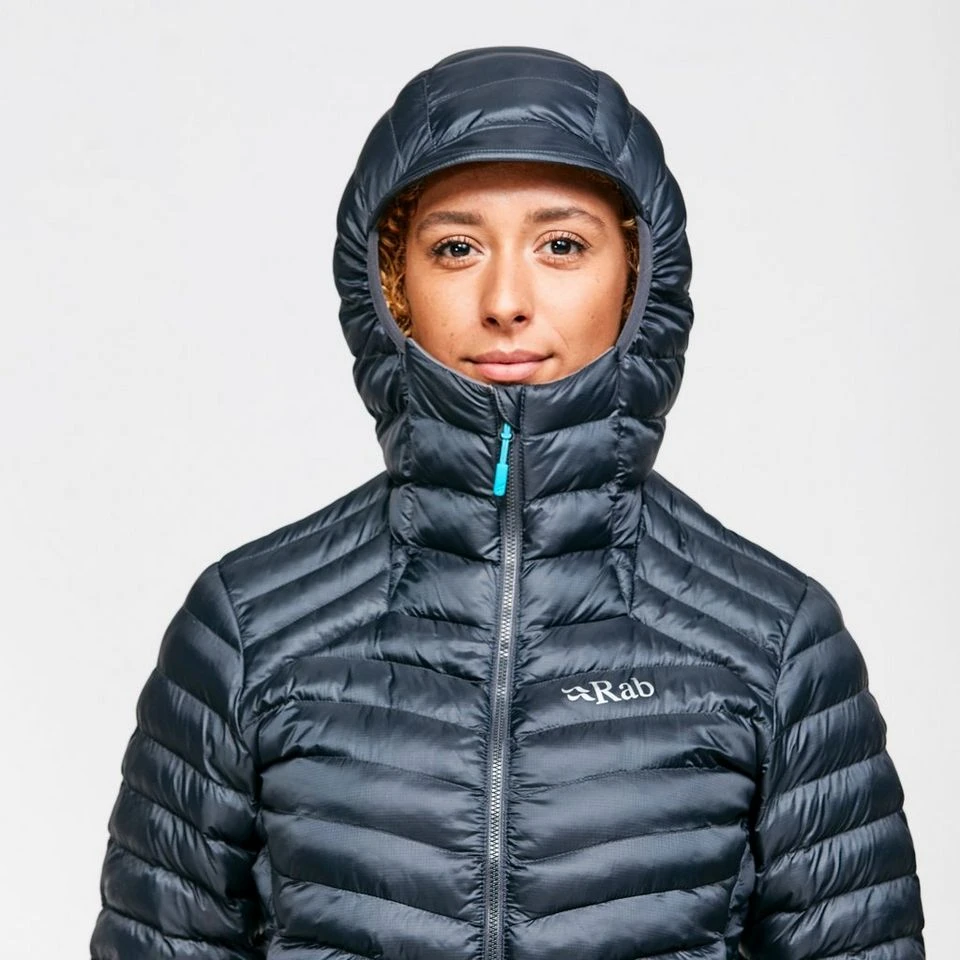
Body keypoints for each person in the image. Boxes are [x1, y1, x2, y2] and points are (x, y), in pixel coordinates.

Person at [89, 46, 926, 960]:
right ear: (391, 285)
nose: (505, 301)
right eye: (456, 248)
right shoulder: (248, 629)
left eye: (561, 245)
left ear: (638, 278)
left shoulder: (773, 640)